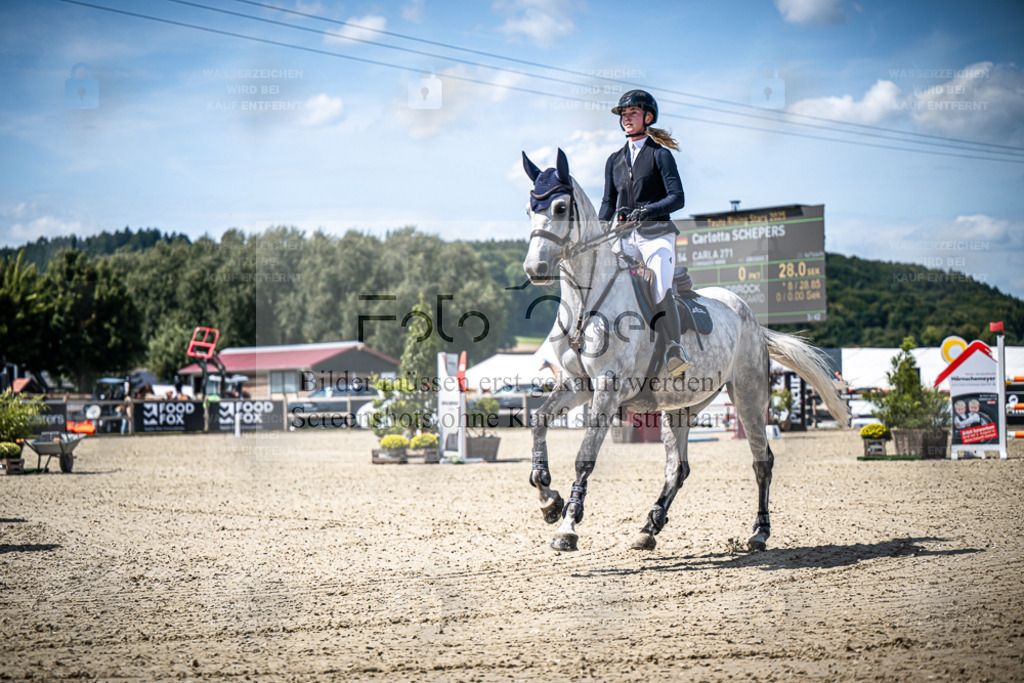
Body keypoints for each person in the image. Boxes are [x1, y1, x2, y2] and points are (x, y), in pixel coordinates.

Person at [599, 89, 691, 378]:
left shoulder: (660, 155)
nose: (627, 118)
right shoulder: (614, 160)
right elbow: (607, 203)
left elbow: (678, 198)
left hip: (656, 235)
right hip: (625, 237)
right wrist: (602, 229)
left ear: (648, 117)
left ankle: (674, 348)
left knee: (660, 285)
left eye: (633, 114)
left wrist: (648, 210)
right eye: (624, 115)